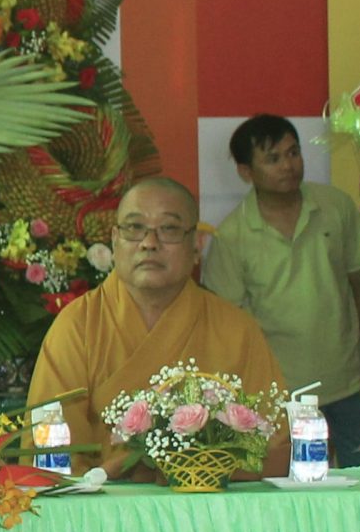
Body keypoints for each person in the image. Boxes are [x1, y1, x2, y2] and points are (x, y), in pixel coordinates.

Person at [28, 177, 288, 478]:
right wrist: (107, 479)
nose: (149, 243)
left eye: (169, 229)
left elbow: (274, 447)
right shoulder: (78, 326)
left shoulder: (236, 329)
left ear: (196, 246)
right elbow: (49, 453)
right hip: (103, 502)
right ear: (114, 241)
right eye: (134, 227)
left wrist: (195, 472)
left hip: (210, 504)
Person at [203, 115, 360, 466]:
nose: (288, 165)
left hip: (351, 382)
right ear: (246, 172)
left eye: (293, 153)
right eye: (273, 158)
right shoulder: (231, 236)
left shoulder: (336, 206)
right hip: (279, 394)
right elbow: (227, 325)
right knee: (295, 489)